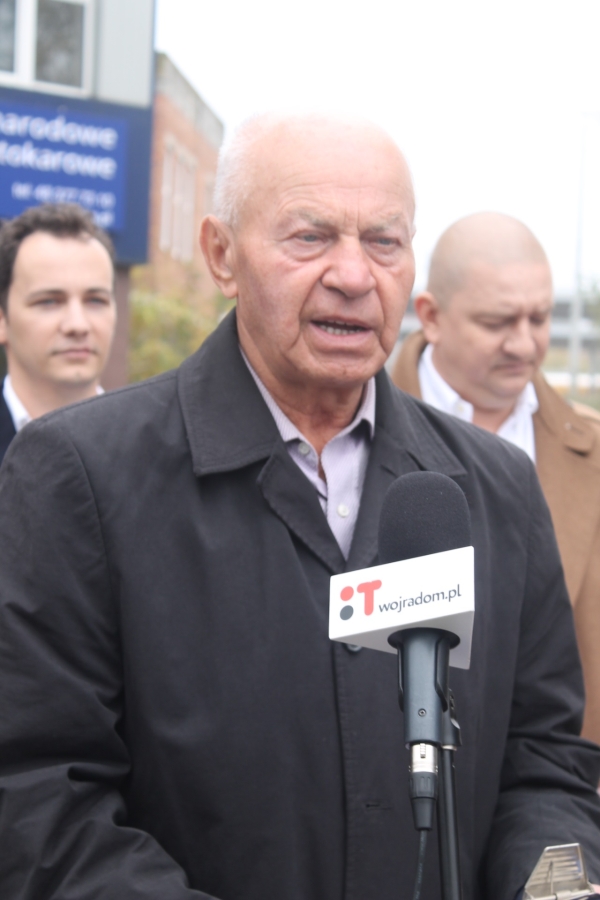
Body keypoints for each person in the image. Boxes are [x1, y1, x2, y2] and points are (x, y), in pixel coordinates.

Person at [0, 115, 599, 900]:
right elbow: (42, 793)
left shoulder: (497, 487)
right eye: (310, 237)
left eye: (384, 241)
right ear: (222, 255)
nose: (354, 275)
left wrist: (549, 882)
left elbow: (544, 760)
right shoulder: (80, 475)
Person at [391, 212, 600, 745]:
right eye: (497, 322)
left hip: (563, 781)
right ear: (431, 316)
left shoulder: (593, 455)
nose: (525, 345)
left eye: (540, 318)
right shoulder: (348, 439)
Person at [0, 203, 117, 463]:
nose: (78, 325)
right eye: (49, 301)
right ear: (3, 320)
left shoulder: (157, 450)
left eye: (95, 300)